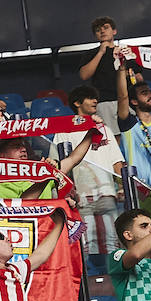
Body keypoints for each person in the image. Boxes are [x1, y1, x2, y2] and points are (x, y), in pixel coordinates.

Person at [54, 85, 125, 270]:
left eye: (96, 98)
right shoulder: (64, 130)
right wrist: (68, 192)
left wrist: (121, 186)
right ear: (77, 103)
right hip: (81, 197)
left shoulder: (104, 129)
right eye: (90, 98)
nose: (95, 101)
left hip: (107, 193)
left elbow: (117, 162)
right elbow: (59, 166)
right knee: (83, 243)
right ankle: (85, 290)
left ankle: (115, 287)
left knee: (112, 242)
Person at [77, 15, 127, 132]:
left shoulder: (125, 51)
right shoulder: (90, 54)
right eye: (98, 30)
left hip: (126, 100)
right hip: (105, 101)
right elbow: (84, 75)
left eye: (106, 27)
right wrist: (100, 53)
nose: (102, 31)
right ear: (96, 35)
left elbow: (138, 77)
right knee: (111, 137)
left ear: (114, 31)